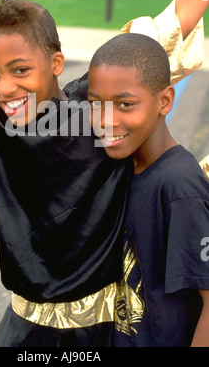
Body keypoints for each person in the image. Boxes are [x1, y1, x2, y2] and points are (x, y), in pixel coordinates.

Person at [0, 0, 208, 346]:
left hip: (100, 328)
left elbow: (176, 19)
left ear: (55, 63)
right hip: (23, 324)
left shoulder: (102, 107)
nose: (6, 88)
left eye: (20, 70)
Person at [88, 32, 209, 347]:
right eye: (95, 105)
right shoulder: (123, 166)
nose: (105, 120)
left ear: (165, 101)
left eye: (125, 104)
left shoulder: (179, 185)